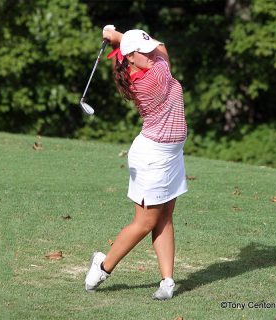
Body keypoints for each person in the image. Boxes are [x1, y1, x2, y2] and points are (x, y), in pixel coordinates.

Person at [84, 25, 188, 300]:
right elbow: (164, 50)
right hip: (152, 157)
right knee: (145, 222)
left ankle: (167, 281)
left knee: (165, 217)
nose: (151, 53)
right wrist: (118, 37)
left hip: (171, 154)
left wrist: (118, 38)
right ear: (129, 56)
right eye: (144, 51)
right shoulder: (154, 77)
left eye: (149, 48)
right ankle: (103, 266)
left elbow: (156, 49)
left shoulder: (143, 66)